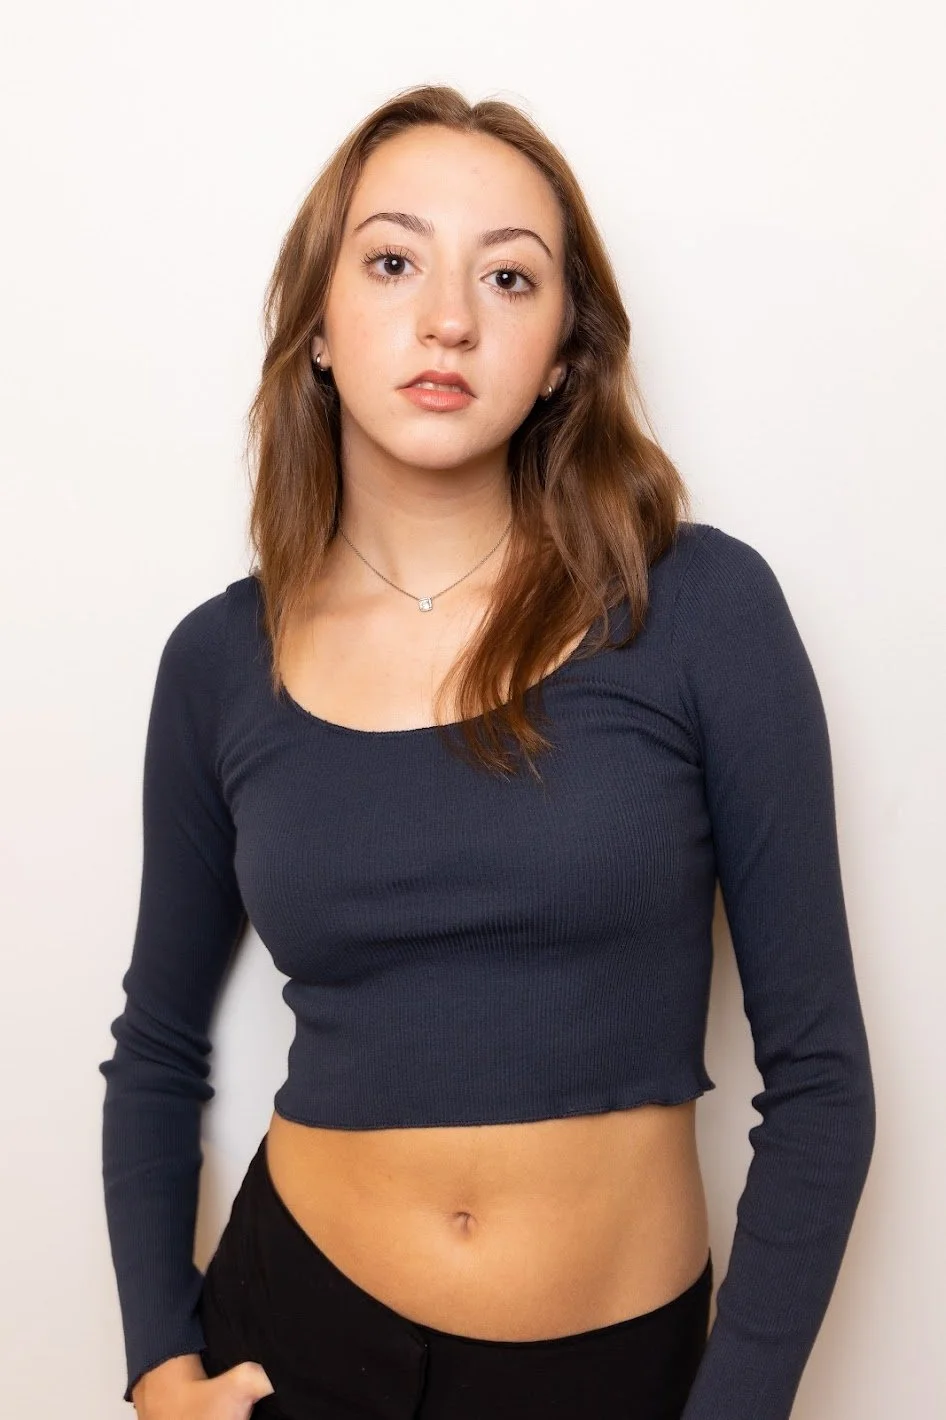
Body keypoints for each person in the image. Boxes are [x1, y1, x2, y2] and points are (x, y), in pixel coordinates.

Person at [98, 84, 876, 1420]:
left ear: (566, 350)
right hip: (290, 1337)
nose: (447, 317)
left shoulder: (695, 610)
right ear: (321, 328)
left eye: (508, 277)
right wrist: (159, 1366)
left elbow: (820, 1083)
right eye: (392, 262)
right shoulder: (219, 660)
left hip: (610, 1370)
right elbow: (159, 1045)